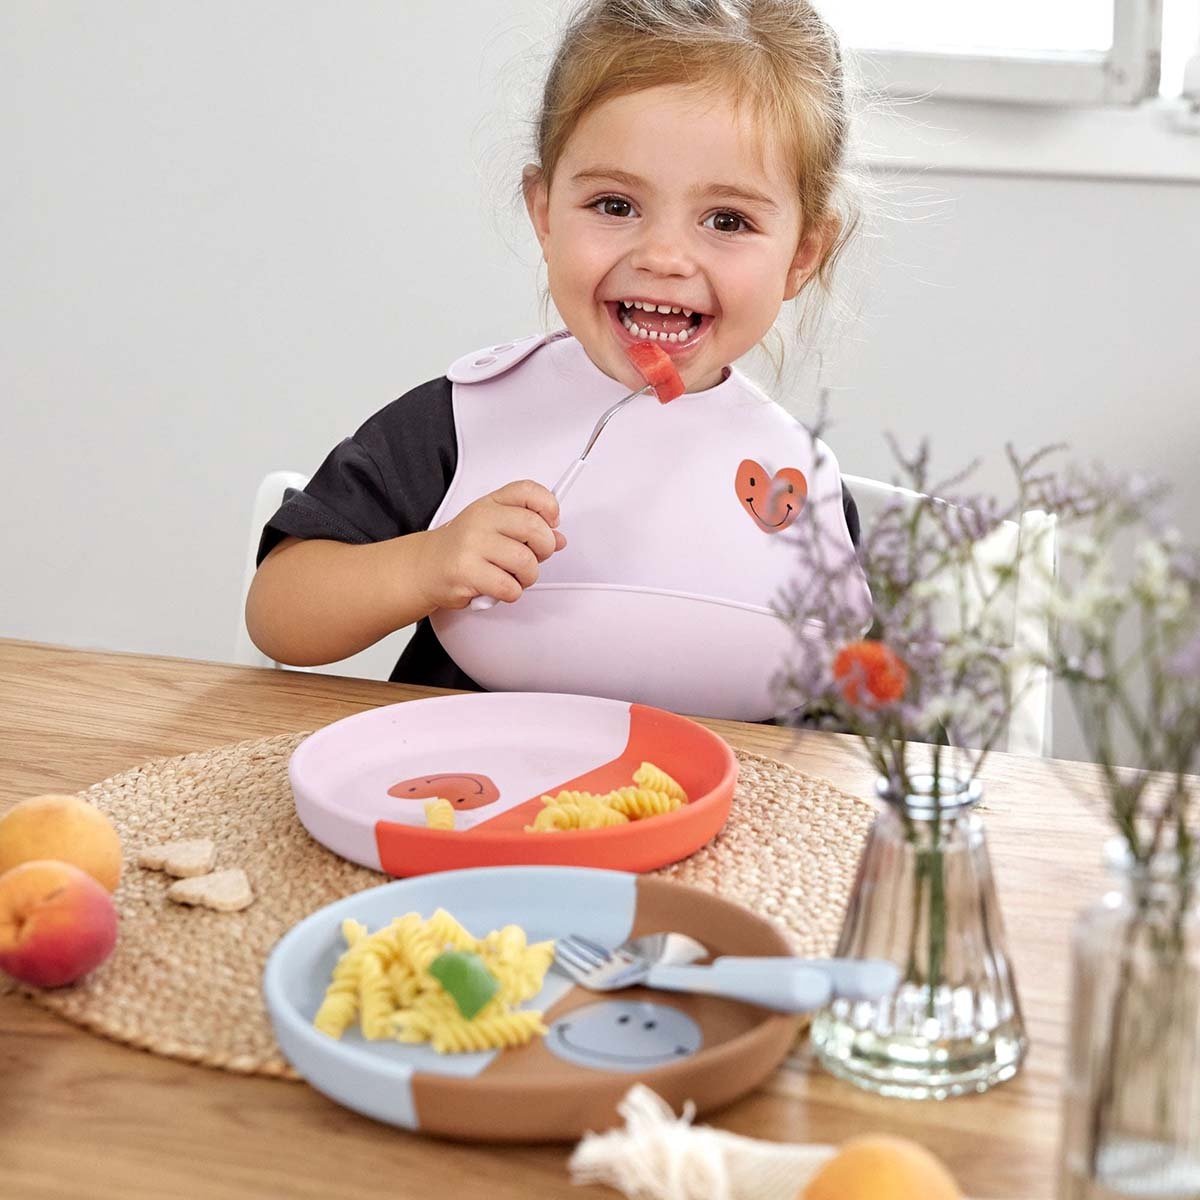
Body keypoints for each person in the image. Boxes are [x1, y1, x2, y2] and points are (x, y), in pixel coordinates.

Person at [245, 0, 868, 720]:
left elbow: (854, 716)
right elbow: (277, 613)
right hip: (466, 782)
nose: (664, 257)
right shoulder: (463, 420)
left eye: (727, 220)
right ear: (543, 212)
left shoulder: (798, 483)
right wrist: (426, 564)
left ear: (802, 255)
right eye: (614, 205)